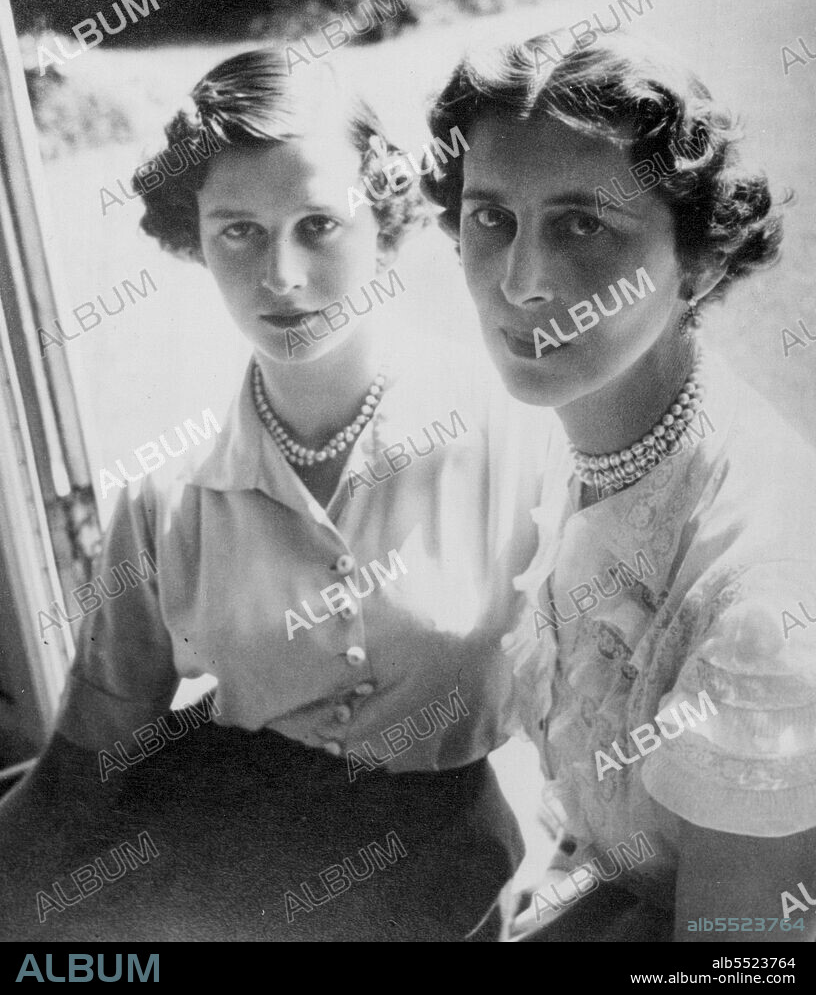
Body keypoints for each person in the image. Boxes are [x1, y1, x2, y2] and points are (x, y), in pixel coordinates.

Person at [0, 48, 551, 942]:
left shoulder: (508, 428)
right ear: (195, 237)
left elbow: (604, 709)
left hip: (462, 852)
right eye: (239, 232)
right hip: (239, 859)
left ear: (384, 215)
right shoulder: (170, 497)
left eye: (318, 226)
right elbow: (84, 764)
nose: (281, 277)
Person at [423, 27, 816, 942]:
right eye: (491, 218)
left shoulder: (764, 597)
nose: (521, 283)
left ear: (702, 259)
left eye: (582, 225)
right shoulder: (587, 435)